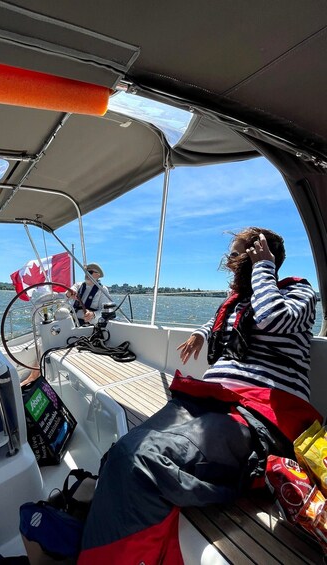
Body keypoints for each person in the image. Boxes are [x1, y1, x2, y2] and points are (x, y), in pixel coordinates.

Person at [78, 227, 323, 564]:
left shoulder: (297, 293)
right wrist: (198, 333)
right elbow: (218, 320)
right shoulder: (240, 300)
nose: (230, 260)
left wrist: (264, 267)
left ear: (261, 255)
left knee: (137, 462)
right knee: (118, 453)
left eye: (239, 253)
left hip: (257, 415)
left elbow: (272, 319)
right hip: (208, 402)